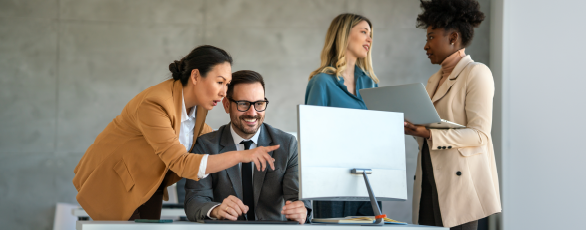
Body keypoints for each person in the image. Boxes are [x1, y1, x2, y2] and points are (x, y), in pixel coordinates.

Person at [72, 45, 280, 221]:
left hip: (149, 186)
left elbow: (207, 137)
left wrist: (245, 138)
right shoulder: (155, 104)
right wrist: (242, 155)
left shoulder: (199, 108)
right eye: (219, 82)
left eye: (227, 85)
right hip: (115, 184)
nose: (224, 92)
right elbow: (180, 162)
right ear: (196, 76)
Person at [404, 0, 500, 229]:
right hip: (429, 178)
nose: (426, 46)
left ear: (453, 37)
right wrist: (411, 129)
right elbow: (430, 131)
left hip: (461, 187)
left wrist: (428, 133)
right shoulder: (433, 80)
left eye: (430, 37)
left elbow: (479, 135)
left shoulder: (477, 73)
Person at [184, 70, 310, 223]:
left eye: (259, 104)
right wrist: (216, 209)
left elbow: (299, 199)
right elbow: (194, 201)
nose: (253, 113)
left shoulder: (287, 144)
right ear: (227, 105)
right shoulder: (205, 145)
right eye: (243, 104)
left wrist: (301, 210)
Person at [304, 13, 382, 218]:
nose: (369, 39)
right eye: (364, 32)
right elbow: (312, 137)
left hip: (369, 178)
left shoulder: (371, 83)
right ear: (344, 35)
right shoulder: (322, 82)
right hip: (332, 181)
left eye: (370, 34)